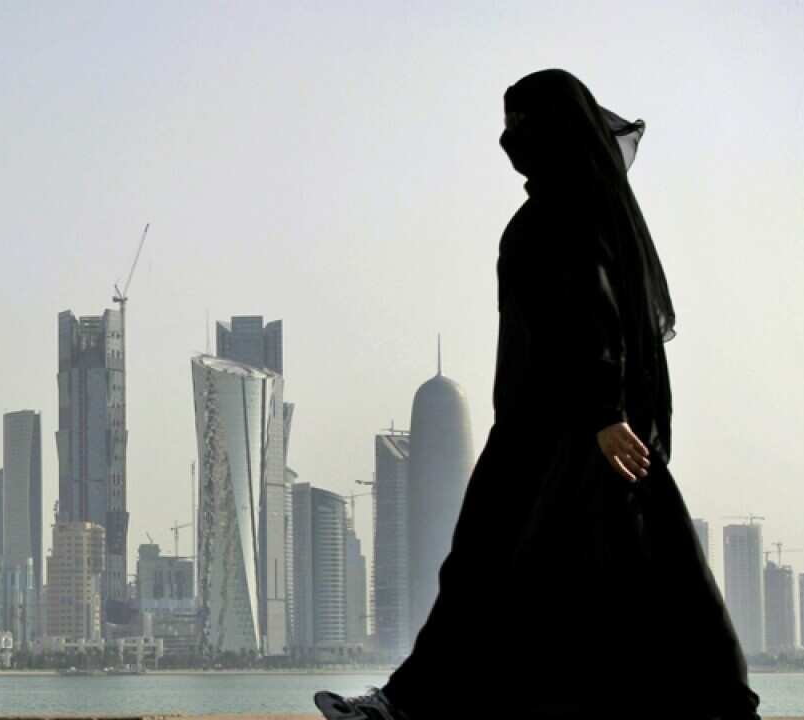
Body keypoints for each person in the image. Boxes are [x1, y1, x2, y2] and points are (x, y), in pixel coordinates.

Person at [314, 69, 761, 720]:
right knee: (546, 569)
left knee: (536, 567)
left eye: (522, 123)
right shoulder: (561, 206)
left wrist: (605, 414)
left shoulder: (568, 212)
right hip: (543, 423)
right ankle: (416, 703)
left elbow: (597, 314)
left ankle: (409, 705)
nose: (508, 139)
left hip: (572, 429)